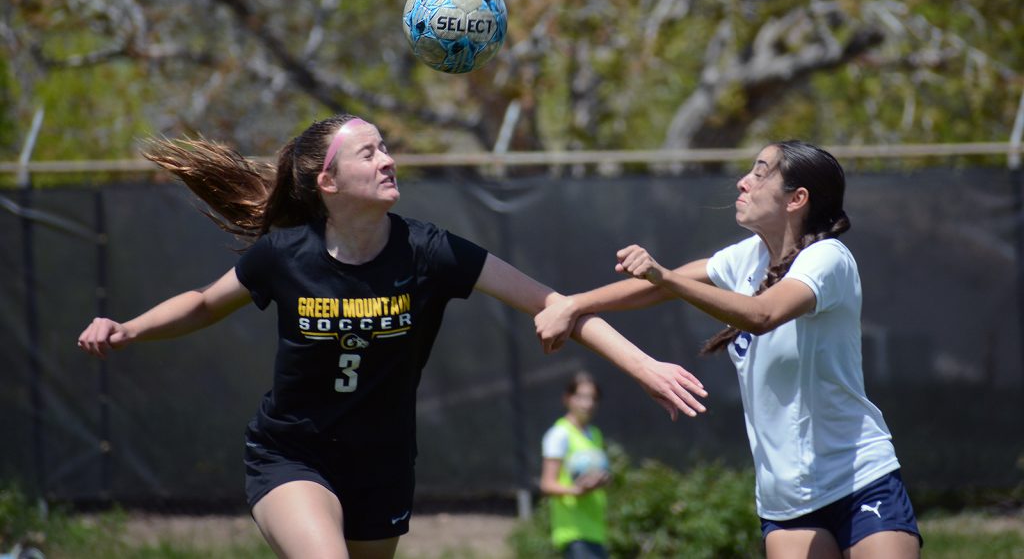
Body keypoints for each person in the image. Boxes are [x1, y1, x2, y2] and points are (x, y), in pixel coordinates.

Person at [76, 114, 709, 559]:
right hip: (292, 455)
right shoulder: (284, 255)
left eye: (385, 148)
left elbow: (561, 305)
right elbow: (201, 305)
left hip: (382, 463)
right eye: (369, 153)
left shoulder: (431, 252)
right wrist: (126, 327)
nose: (387, 159)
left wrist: (645, 365)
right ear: (327, 183)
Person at [534, 141, 922, 559]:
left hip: (858, 477)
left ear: (797, 199)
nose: (743, 182)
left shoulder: (827, 258)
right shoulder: (746, 259)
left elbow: (761, 314)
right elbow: (653, 290)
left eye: (759, 173)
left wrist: (663, 275)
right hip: (786, 500)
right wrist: (572, 304)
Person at [539, 371, 611, 559]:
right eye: (581, 397)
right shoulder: (559, 434)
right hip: (573, 532)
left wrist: (602, 480)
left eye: (593, 398)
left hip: (596, 531)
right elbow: (547, 484)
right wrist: (578, 491)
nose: (588, 404)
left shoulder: (594, 434)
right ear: (568, 399)